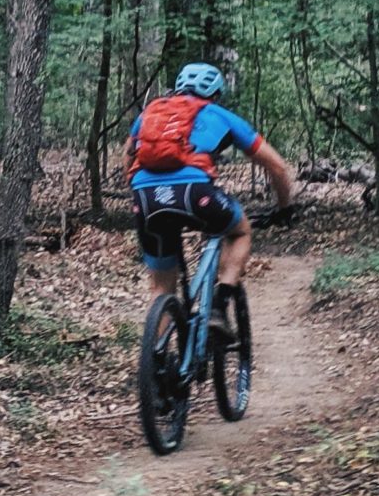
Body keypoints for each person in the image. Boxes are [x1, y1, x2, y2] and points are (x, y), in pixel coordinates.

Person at [128, 62, 298, 332]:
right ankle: (219, 306)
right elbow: (277, 166)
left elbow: (129, 155)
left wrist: (140, 192)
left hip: (146, 197)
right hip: (196, 195)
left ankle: (157, 364)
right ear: (216, 93)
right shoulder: (221, 115)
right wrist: (284, 207)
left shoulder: (150, 114)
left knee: (161, 289)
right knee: (239, 230)